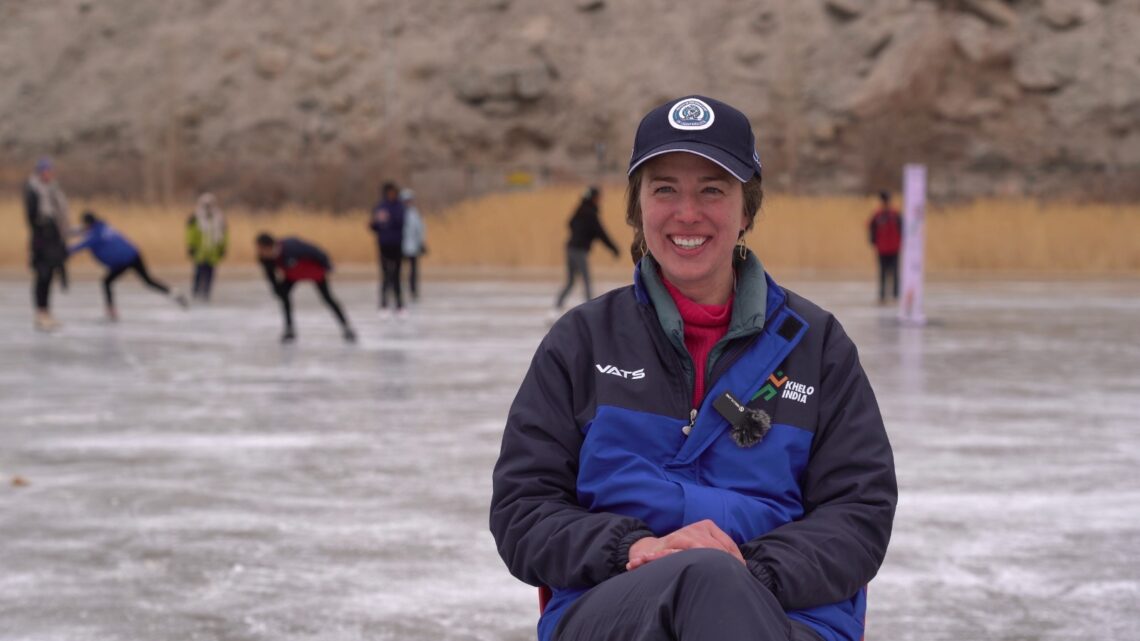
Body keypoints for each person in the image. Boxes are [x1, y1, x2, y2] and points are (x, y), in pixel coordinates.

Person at [490, 96, 897, 641]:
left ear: (746, 208)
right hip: (617, 607)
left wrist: (751, 571)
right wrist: (636, 549)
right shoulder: (581, 341)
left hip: (789, 610)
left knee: (714, 586)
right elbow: (523, 512)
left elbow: (859, 512)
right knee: (704, 582)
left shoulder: (818, 346)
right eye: (665, 189)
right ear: (637, 208)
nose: (687, 213)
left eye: (713, 189)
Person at [69, 211, 188, 321]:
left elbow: (79, 246)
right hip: (134, 254)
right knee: (148, 281)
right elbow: (83, 231)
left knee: (106, 282)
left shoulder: (94, 236)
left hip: (122, 262)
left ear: (88, 224)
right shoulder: (104, 226)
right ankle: (174, 292)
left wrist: (62, 252)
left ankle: (111, 312)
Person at [255, 233, 355, 344]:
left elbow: (315, 251)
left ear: (268, 247)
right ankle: (289, 330)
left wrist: (327, 264)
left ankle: (347, 328)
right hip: (293, 275)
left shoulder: (291, 246)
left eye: (260, 248)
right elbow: (271, 277)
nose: (259, 252)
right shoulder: (265, 259)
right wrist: (277, 290)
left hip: (314, 272)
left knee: (328, 299)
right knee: (284, 298)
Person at [553, 186, 620, 312]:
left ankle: (557, 306)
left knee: (571, 281)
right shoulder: (591, 214)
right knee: (586, 280)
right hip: (579, 251)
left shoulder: (580, 210)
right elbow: (601, 233)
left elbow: (570, 223)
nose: (600, 200)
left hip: (570, 248)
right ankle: (590, 309)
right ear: (594, 198)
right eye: (599, 197)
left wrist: (584, 233)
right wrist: (614, 249)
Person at [24, 157, 71, 331]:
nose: (49, 173)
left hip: (54, 235)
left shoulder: (54, 189)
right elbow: (31, 217)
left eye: (50, 170)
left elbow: (61, 212)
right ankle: (40, 312)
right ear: (40, 171)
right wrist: (40, 235)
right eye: (46, 170)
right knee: (42, 275)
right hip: (41, 236)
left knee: (51, 274)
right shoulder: (33, 189)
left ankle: (47, 311)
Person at [369, 182, 406, 316]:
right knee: (384, 275)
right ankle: (383, 303)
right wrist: (373, 224)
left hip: (396, 244)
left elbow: (401, 222)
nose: (391, 195)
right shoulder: (380, 206)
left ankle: (399, 304)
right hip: (383, 244)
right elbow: (376, 226)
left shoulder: (399, 207)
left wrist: (387, 220)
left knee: (396, 275)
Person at [185, 192, 228, 302]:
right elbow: (191, 233)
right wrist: (191, 246)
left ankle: (206, 296)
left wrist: (223, 248)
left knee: (210, 275)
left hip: (213, 252)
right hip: (200, 252)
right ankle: (195, 294)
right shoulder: (195, 218)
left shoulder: (219, 218)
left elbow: (224, 235)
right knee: (198, 274)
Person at [868, 190, 902, 303]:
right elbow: (871, 228)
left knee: (895, 272)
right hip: (882, 249)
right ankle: (882, 296)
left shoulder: (895, 214)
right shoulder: (877, 215)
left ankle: (895, 295)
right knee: (882, 273)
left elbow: (902, 229)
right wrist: (873, 241)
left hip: (894, 248)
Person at [400, 188, 426, 301]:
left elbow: (420, 229)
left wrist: (421, 243)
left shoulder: (414, 214)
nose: (408, 202)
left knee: (413, 271)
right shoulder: (399, 212)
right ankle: (399, 290)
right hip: (399, 246)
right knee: (399, 270)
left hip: (413, 247)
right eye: (406, 200)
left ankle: (413, 290)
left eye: (410, 200)